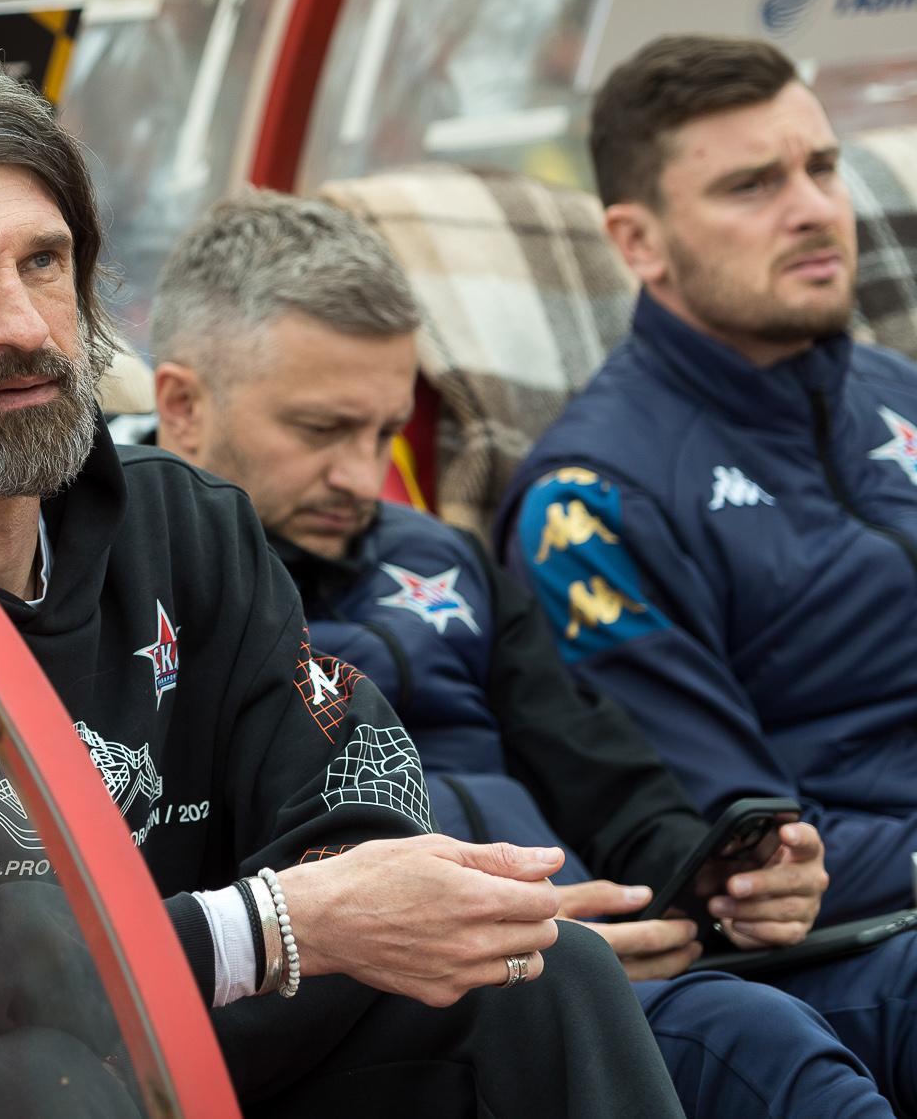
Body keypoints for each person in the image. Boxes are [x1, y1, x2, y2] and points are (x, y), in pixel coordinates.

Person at [0, 55, 683, 1117]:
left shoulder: (181, 525)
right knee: (42, 1087)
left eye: (44, 262)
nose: (25, 325)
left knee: (542, 976)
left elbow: (347, 777)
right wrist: (256, 929)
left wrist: (351, 903)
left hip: (156, 1042)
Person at [146, 187, 917, 1116]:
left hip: (609, 961)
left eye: (385, 432)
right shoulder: (145, 597)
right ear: (182, 404)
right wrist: (536, 944)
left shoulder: (441, 556)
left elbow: (602, 768)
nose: (362, 476)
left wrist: (715, 877)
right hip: (421, 1017)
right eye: (321, 431)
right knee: (753, 1045)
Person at [496, 35, 917, 928]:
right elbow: (743, 854)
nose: (815, 210)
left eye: (823, 168)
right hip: (853, 943)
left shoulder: (895, 389)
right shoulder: (588, 506)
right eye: (752, 186)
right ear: (638, 241)